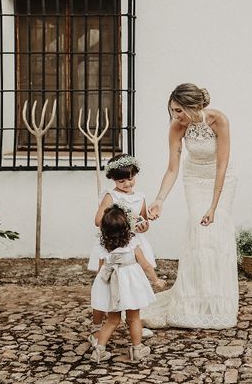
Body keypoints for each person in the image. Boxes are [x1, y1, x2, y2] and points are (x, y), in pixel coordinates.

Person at [140, 83, 238, 329]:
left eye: (179, 111)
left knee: (217, 233)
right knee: (199, 234)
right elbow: (172, 168)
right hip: (193, 180)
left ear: (194, 106)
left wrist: (214, 206)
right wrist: (159, 199)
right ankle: (195, 303)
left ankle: (217, 304)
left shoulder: (219, 120)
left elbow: (222, 166)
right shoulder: (177, 127)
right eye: (173, 111)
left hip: (221, 181)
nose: (176, 116)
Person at [87, 154, 166, 344]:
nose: (127, 184)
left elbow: (144, 220)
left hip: (132, 244)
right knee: (104, 284)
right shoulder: (111, 195)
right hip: (112, 242)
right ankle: (97, 325)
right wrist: (121, 219)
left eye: (130, 178)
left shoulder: (140, 197)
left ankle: (133, 320)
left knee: (133, 282)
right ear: (113, 179)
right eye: (121, 180)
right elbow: (98, 220)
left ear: (135, 174)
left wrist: (143, 225)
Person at [89, 204, 157, 362]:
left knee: (112, 320)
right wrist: (156, 280)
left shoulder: (102, 246)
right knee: (134, 318)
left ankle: (99, 350)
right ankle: (137, 349)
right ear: (127, 228)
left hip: (113, 288)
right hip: (130, 287)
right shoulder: (132, 245)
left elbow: (101, 270)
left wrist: (100, 288)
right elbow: (146, 265)